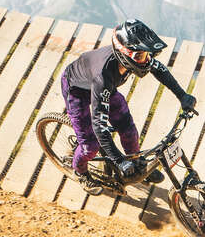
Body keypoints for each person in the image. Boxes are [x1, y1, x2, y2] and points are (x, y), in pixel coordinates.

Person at [61, 19, 197, 194]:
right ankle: (80, 172)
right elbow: (99, 127)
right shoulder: (103, 77)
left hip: (102, 89)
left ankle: (136, 164)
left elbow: (159, 69)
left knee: (129, 130)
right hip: (77, 91)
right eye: (141, 56)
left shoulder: (133, 57)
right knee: (90, 146)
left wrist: (182, 95)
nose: (146, 61)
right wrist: (119, 160)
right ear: (124, 53)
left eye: (148, 55)